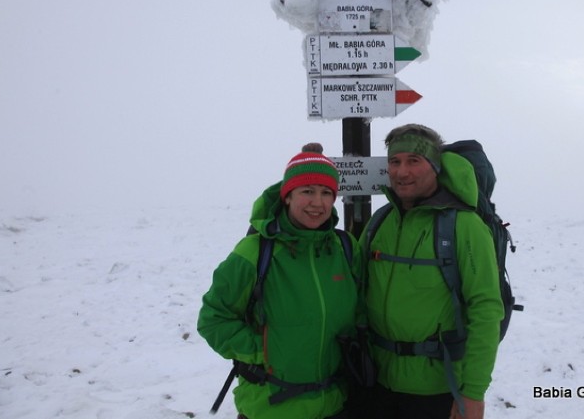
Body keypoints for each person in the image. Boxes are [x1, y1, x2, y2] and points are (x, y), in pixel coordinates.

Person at [198, 144, 362, 419]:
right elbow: (213, 319)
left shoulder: (345, 248)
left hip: (334, 405)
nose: (317, 203)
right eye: (307, 191)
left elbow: (360, 313)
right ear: (287, 196)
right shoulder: (253, 253)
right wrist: (263, 350)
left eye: (326, 193)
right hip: (271, 407)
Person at [362, 124, 504, 419]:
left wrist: (473, 393)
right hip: (376, 385)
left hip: (437, 391)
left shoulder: (465, 227)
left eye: (414, 161)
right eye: (395, 161)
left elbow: (486, 310)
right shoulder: (380, 221)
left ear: (435, 166)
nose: (402, 172)